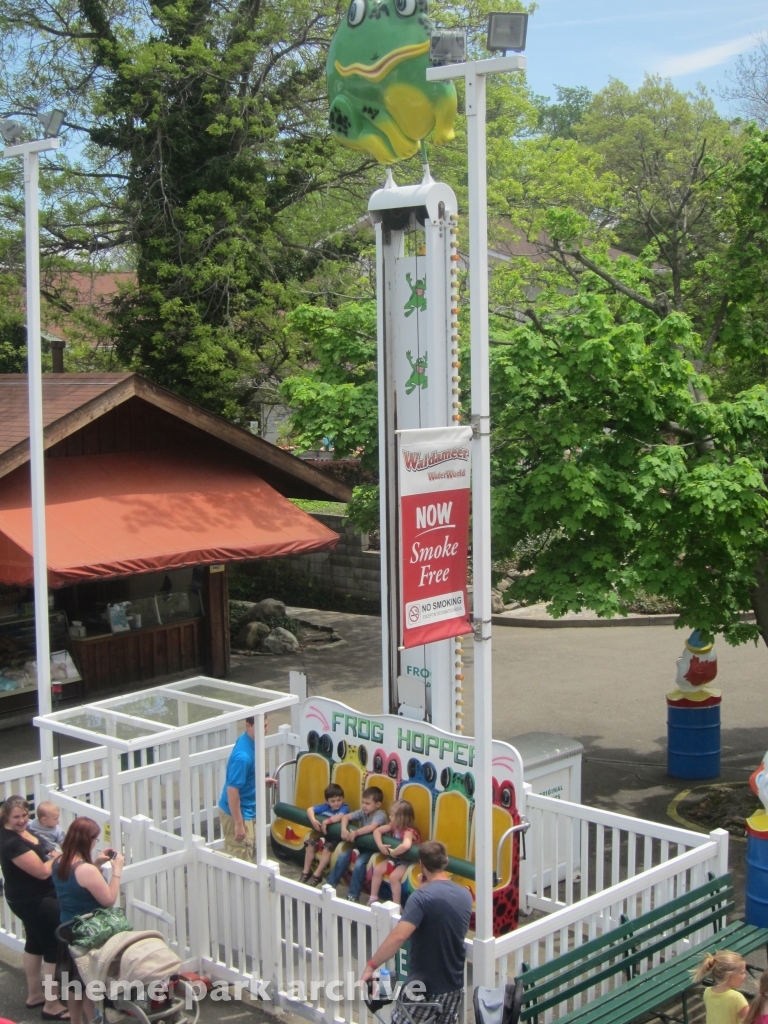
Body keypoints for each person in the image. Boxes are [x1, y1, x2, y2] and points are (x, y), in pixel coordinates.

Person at [361, 841, 472, 1024]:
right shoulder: (465, 895)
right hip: (453, 987)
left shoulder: (421, 898)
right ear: (446, 861)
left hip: (423, 988)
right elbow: (441, 919)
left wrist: (371, 966)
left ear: (421, 865)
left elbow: (399, 936)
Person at [0, 795, 69, 1021]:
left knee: (34, 943)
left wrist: (49, 853)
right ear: (6, 817)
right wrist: (58, 858)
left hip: (25, 898)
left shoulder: (23, 832)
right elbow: (41, 872)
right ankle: (52, 1004)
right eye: (16, 817)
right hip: (34, 901)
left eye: (24, 815)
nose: (22, 820)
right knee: (52, 948)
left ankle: (35, 995)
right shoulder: (12, 843)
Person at [52, 816, 125, 1024]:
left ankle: (78, 1020)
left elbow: (78, 885)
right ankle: (94, 1019)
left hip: (68, 928)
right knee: (89, 982)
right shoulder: (86, 870)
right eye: (95, 839)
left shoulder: (58, 862)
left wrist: (97, 863)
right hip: (89, 932)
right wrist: (117, 871)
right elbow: (108, 900)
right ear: (88, 840)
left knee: (75, 984)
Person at [218, 715, 275, 862]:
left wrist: (260, 781)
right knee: (242, 859)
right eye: (261, 727)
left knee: (249, 853)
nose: (265, 730)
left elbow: (245, 777)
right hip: (238, 814)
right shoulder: (242, 757)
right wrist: (238, 824)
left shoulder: (249, 741)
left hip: (248, 811)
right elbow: (232, 791)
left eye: (266, 725)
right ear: (248, 725)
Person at [326, 787, 387, 902]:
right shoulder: (363, 812)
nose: (364, 806)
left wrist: (356, 833)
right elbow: (346, 817)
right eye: (363, 802)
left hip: (374, 848)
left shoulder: (380, 815)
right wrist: (344, 830)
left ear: (378, 804)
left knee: (359, 864)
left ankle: (353, 895)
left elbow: (372, 827)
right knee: (343, 856)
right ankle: (330, 885)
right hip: (361, 845)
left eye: (367, 803)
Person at [368, 800, 421, 906]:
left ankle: (397, 905)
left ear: (401, 818)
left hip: (407, 861)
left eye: (392, 815)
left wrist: (394, 852)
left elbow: (406, 845)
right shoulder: (393, 826)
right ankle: (373, 897)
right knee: (377, 870)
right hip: (395, 858)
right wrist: (380, 846)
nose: (390, 817)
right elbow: (377, 831)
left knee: (394, 878)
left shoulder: (409, 832)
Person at [299, 783, 349, 886]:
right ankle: (306, 872)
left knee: (327, 849)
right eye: (333, 801)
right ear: (327, 801)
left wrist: (326, 821)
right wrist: (313, 820)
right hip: (325, 836)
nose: (336, 803)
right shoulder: (325, 807)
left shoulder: (344, 807)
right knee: (310, 844)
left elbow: (340, 816)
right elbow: (310, 810)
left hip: (337, 838)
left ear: (343, 799)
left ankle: (317, 875)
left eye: (339, 800)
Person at [694, 950, 750, 1023]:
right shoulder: (737, 998)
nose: (745, 976)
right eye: (742, 973)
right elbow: (751, 1019)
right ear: (729, 976)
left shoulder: (707, 992)